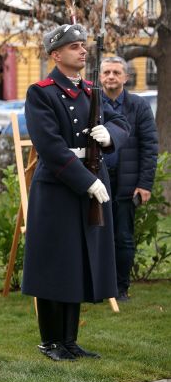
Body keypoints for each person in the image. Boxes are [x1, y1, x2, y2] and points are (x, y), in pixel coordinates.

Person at [22, 23, 128, 362]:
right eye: (74, 47)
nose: (83, 51)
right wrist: (86, 182)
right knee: (55, 263)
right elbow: (50, 147)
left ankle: (69, 341)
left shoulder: (90, 91)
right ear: (56, 54)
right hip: (59, 187)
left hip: (90, 183)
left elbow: (122, 123)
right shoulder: (41, 92)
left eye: (83, 46)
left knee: (77, 264)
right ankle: (50, 342)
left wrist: (109, 134)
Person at [99, 56, 158, 302]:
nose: (111, 76)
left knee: (123, 238)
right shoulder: (91, 105)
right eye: (107, 72)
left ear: (125, 77)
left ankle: (120, 289)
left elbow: (150, 146)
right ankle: (98, 288)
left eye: (116, 72)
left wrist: (144, 184)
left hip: (127, 184)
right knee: (96, 236)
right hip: (97, 182)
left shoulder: (139, 107)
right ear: (100, 77)